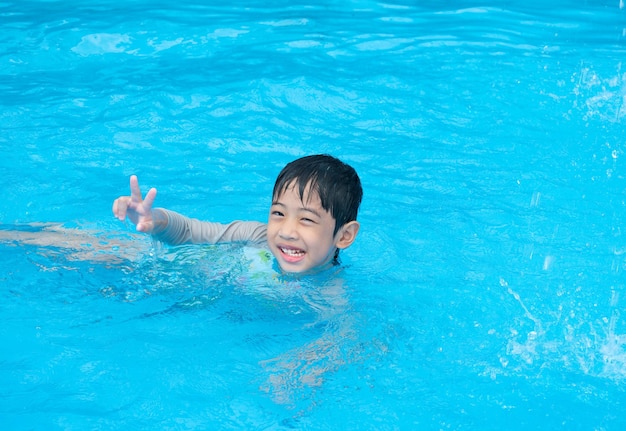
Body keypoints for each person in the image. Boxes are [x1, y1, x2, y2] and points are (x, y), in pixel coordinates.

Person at [112, 154, 363, 274]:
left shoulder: (330, 296)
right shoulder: (256, 236)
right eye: (278, 213)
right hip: (183, 267)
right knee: (113, 251)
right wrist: (156, 221)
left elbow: (336, 344)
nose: (286, 231)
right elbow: (190, 232)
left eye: (306, 219)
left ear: (344, 235)